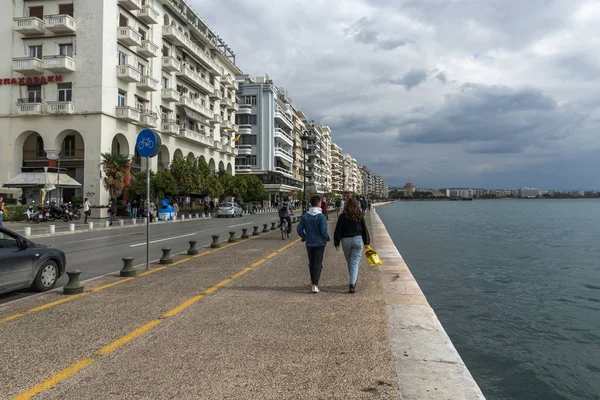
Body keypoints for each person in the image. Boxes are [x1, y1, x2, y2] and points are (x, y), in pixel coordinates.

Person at [334, 197, 370, 293]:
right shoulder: (359, 215)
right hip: (357, 240)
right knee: (353, 262)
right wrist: (366, 242)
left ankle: (352, 282)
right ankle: (352, 283)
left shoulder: (342, 216)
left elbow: (338, 230)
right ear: (356, 205)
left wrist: (336, 243)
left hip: (345, 241)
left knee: (350, 262)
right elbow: (364, 229)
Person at [297, 195, 330, 293]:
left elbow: (299, 229)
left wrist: (304, 237)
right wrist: (327, 238)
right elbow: (323, 230)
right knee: (318, 263)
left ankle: (313, 282)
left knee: (311, 263)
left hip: (309, 243)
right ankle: (315, 284)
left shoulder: (305, 216)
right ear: (319, 203)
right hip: (320, 243)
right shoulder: (321, 216)